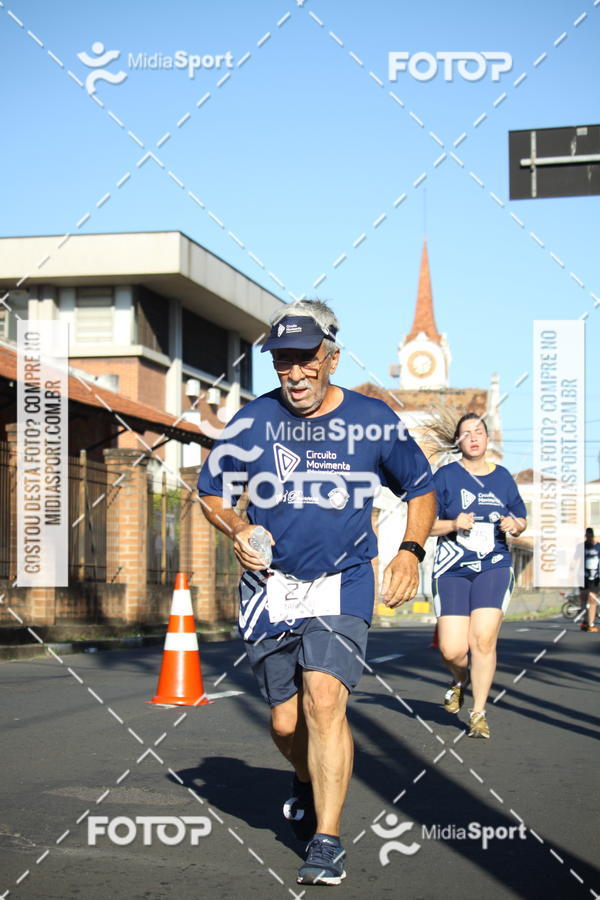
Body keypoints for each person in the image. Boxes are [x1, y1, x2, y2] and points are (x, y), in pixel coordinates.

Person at [198, 299, 436, 885]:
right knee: (285, 724)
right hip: (270, 586)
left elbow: (422, 486)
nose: (295, 373)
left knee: (324, 700)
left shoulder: (371, 419)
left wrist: (410, 551)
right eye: (283, 362)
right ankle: (303, 778)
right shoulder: (253, 421)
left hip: (344, 582)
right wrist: (239, 525)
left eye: (306, 359)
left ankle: (327, 840)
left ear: (330, 356)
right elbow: (211, 494)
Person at [428, 412, 526, 739]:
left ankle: (478, 712)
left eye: (479, 432)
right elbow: (425, 525)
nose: (473, 437)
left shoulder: (502, 478)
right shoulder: (444, 477)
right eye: (466, 433)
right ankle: (460, 679)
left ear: (487, 439)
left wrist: (515, 525)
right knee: (452, 649)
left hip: (494, 565)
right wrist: (454, 523)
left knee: (482, 640)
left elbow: (521, 519)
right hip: (452, 567)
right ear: (458, 441)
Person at [579, 527, 599, 632]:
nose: (589, 537)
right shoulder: (581, 547)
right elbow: (574, 561)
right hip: (583, 577)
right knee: (583, 598)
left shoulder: (598, 547)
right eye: (587, 535)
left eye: (590, 535)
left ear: (593, 535)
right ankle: (585, 621)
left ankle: (591, 623)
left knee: (592, 600)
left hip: (595, 577)